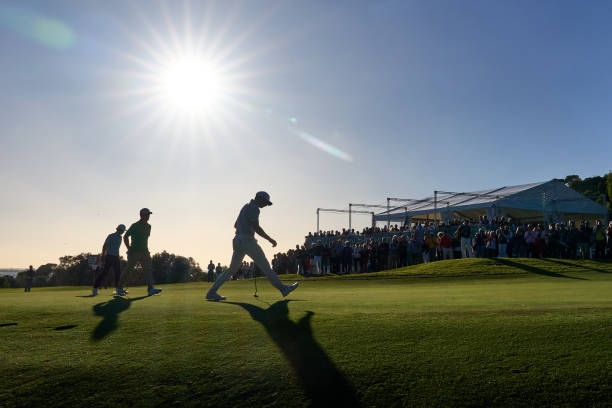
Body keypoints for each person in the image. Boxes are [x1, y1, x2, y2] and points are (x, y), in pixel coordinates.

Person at [206, 192, 298, 301]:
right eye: (266, 202)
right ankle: (283, 289)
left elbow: (235, 225)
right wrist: (270, 239)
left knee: (231, 269)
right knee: (265, 266)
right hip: (247, 240)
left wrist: (245, 226)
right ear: (259, 198)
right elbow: (257, 228)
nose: (266, 205)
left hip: (237, 240)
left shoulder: (245, 206)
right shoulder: (255, 209)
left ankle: (211, 292)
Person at [123, 208, 162, 296]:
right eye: (147, 215)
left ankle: (150, 289)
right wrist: (129, 248)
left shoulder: (149, 226)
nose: (148, 216)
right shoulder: (134, 225)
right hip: (134, 252)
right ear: (142, 215)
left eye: (149, 215)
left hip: (145, 252)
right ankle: (119, 288)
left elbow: (144, 239)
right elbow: (125, 236)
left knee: (148, 270)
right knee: (128, 270)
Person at [93, 224, 127, 296]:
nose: (122, 232)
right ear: (118, 229)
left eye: (123, 231)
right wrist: (103, 256)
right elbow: (104, 246)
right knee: (105, 273)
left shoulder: (120, 238)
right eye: (122, 231)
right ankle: (95, 288)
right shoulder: (111, 236)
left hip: (116, 257)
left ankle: (118, 289)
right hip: (109, 256)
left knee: (118, 273)